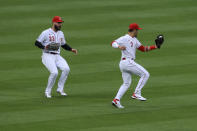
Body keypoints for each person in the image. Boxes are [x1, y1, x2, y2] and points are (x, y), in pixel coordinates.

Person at [35, 16, 78, 98]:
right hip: (47, 55)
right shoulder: (46, 32)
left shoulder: (61, 33)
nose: (60, 24)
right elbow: (37, 42)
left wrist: (71, 49)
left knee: (66, 69)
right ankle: (47, 91)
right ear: (54, 23)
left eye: (61, 23)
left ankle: (60, 89)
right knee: (54, 72)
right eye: (58, 23)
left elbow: (63, 44)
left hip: (57, 56)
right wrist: (44, 47)